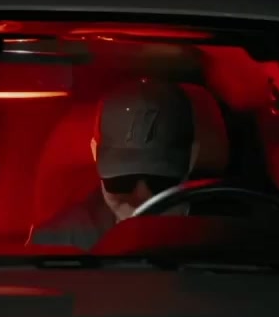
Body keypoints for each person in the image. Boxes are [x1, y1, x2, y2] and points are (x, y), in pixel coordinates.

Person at [28, 79, 197, 249]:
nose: (140, 196)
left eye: (158, 181)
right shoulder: (57, 243)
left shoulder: (212, 236)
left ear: (192, 156)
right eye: (122, 182)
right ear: (94, 154)